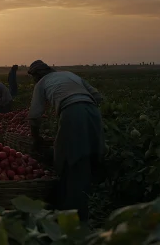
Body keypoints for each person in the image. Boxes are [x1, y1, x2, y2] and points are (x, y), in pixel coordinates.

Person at [27, 60, 104, 222]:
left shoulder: (41, 83)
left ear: (37, 75)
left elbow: (34, 116)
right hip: (93, 112)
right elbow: (97, 96)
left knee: (69, 161)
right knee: (88, 157)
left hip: (72, 112)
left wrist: (36, 138)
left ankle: (71, 213)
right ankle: (85, 202)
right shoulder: (68, 74)